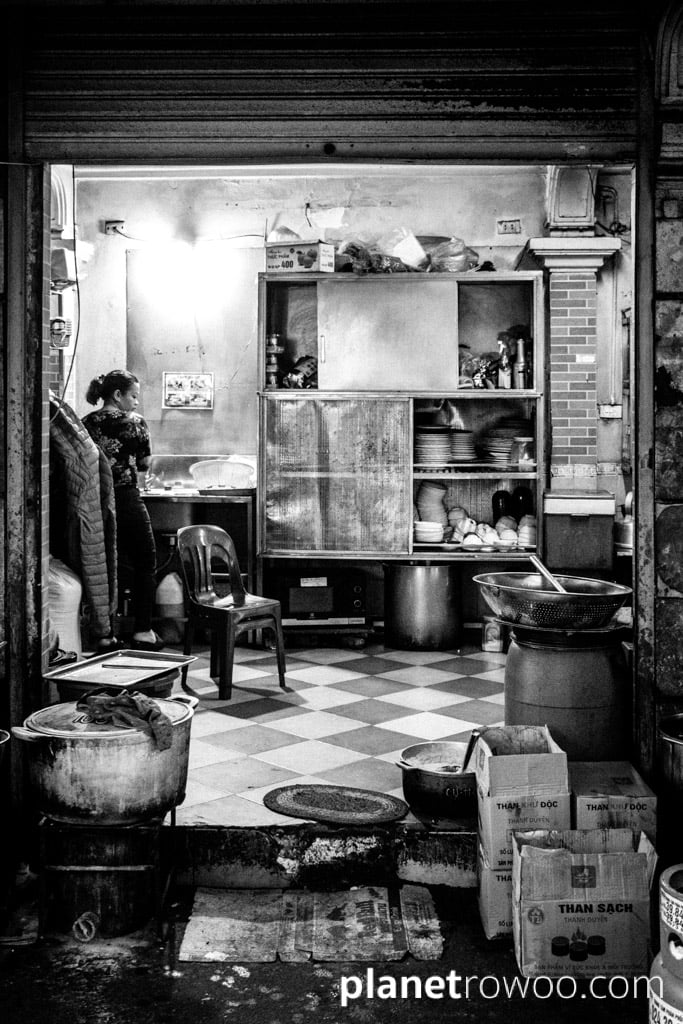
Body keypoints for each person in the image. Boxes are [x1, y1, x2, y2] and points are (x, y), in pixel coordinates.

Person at [82, 369, 164, 651]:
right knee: (145, 562)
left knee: (103, 566)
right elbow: (144, 463)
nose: (136, 402)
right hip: (127, 498)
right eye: (133, 396)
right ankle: (143, 631)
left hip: (96, 501)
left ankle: (105, 634)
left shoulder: (86, 423)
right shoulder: (136, 422)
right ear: (117, 395)